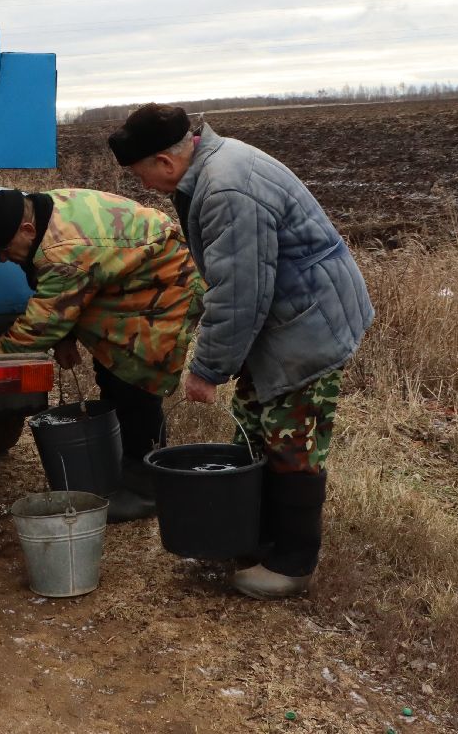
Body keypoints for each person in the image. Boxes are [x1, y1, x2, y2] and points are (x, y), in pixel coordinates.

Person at [109, 104, 373, 599]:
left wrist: (208, 369)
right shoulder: (212, 168)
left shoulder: (227, 188)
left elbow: (239, 292)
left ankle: (292, 565)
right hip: (287, 315)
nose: (144, 187)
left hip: (307, 323)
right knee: (254, 423)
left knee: (292, 437)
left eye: (142, 175)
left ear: (165, 163)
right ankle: (259, 537)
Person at [0, 186, 204, 523]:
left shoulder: (63, 249)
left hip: (166, 285)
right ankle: (119, 468)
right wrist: (66, 337)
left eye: (2, 248)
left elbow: (40, 325)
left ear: (26, 230)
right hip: (126, 280)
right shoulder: (41, 210)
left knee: (137, 381)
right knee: (111, 372)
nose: (1, 258)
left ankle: (146, 491)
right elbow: (67, 287)